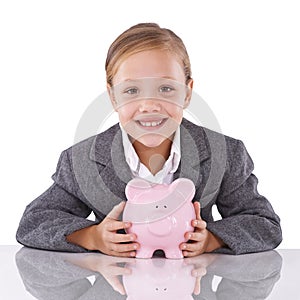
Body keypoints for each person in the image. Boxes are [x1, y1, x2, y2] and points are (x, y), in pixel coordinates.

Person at [16, 23, 282, 257]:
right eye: (131, 90)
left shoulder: (226, 154)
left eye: (166, 89)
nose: (148, 105)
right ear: (113, 96)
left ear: (187, 93)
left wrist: (211, 239)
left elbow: (264, 224)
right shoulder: (82, 159)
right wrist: (93, 237)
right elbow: (34, 223)